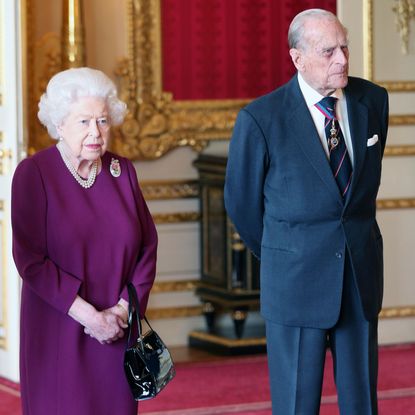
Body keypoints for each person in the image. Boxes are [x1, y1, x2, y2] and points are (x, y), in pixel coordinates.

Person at [225, 9, 388, 415]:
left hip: (359, 276)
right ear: (297, 58)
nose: (343, 60)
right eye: (328, 51)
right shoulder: (261, 118)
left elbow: (360, 194)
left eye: (345, 47)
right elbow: (241, 205)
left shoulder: (373, 100)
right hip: (295, 281)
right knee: (297, 405)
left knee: (363, 403)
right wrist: (286, 253)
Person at [11, 67, 158, 415]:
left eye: (103, 121)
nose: (96, 132)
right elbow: (31, 260)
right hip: (59, 329)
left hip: (116, 332)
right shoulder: (35, 174)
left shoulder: (123, 171)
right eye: (83, 122)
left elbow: (147, 248)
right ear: (59, 124)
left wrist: (120, 312)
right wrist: (90, 317)